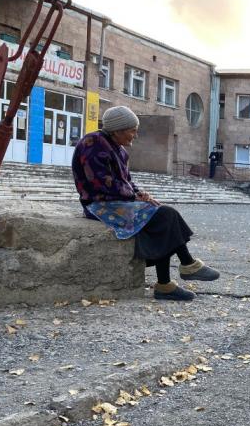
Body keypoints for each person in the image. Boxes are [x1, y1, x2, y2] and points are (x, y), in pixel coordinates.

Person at [71, 106, 220, 301]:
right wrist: (133, 196)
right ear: (118, 130)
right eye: (132, 130)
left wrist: (140, 193)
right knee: (165, 215)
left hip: (116, 202)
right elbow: (102, 184)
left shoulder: (119, 150)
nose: (135, 134)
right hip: (99, 206)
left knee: (162, 217)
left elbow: (126, 182)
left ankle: (167, 284)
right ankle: (185, 266)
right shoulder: (93, 143)